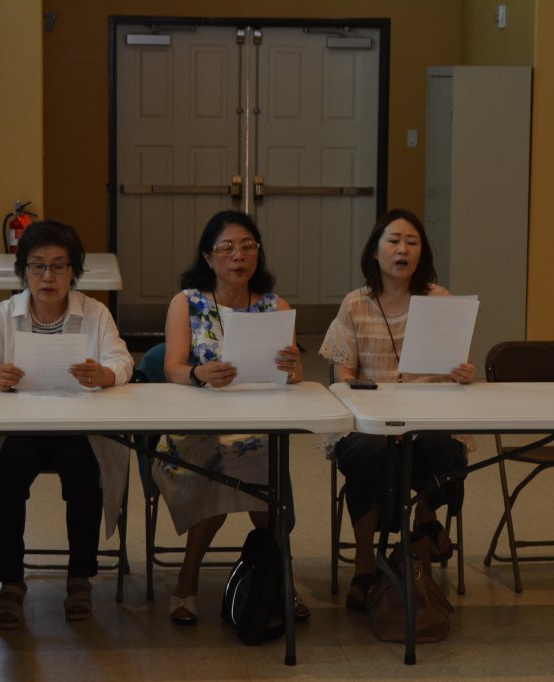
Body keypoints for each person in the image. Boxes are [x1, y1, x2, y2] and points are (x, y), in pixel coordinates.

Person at [0, 220, 133, 630]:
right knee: (6, 477)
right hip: (23, 425)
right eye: (37, 266)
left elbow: (122, 360)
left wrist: (105, 374)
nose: (48, 277)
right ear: (24, 271)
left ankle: (80, 579)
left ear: (74, 271)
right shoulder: (4, 314)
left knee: (84, 476)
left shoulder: (95, 313)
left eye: (59, 266)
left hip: (78, 425)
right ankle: (11, 581)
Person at [319, 208, 476, 611]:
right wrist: (380, 414)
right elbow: (342, 378)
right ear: (375, 251)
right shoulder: (355, 304)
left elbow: (454, 366)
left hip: (428, 418)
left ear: (422, 254)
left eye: (412, 242)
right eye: (393, 241)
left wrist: (462, 373)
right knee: (370, 451)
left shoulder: (438, 300)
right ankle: (365, 560)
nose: (402, 249)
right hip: (369, 422)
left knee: (441, 445)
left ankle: (424, 516)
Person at [154, 210, 305, 625]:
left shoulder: (275, 306)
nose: (238, 256)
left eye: (247, 246)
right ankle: (187, 578)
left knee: (259, 461)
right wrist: (199, 374)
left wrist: (293, 369)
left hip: (256, 425)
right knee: (219, 464)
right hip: (196, 429)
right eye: (227, 247)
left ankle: (279, 578)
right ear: (208, 256)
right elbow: (172, 368)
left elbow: (292, 376)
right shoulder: (187, 303)